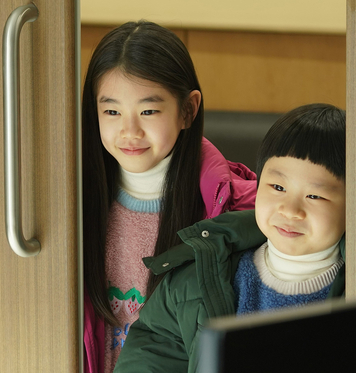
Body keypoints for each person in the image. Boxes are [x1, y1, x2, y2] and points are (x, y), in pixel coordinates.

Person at [114, 103, 347, 373]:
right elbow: (150, 357)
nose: (290, 210)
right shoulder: (193, 281)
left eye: (315, 196)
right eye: (278, 187)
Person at [82, 20, 257, 373]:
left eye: (148, 111)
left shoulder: (237, 212)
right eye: (112, 111)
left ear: (188, 110)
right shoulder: (70, 199)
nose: (129, 131)